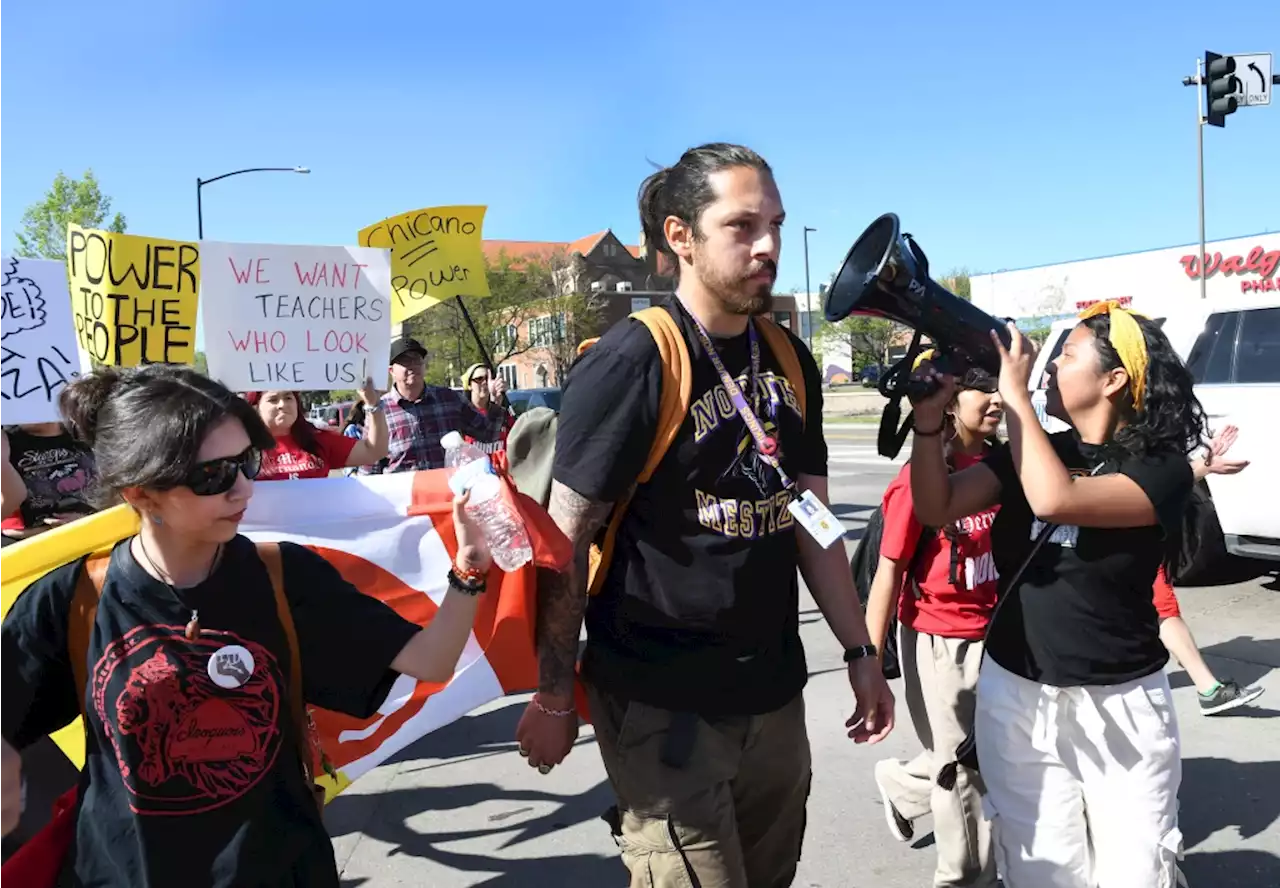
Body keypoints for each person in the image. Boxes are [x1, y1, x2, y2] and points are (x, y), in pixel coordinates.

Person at [515, 142, 894, 888]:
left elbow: (812, 519)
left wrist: (860, 652)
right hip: (664, 708)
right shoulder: (634, 361)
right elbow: (564, 542)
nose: (769, 247)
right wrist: (555, 692)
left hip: (775, 696)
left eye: (777, 225)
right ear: (679, 237)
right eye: (743, 226)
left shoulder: (788, 356)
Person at [1, 364, 494, 887]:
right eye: (212, 476)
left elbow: (432, 659)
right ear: (140, 493)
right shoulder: (74, 602)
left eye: (245, 462)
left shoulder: (285, 576)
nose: (243, 490)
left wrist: (468, 568)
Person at [910, 302, 1203, 887]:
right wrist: (925, 424)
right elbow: (936, 505)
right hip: (1017, 694)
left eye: (1066, 355)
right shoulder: (1036, 452)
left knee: (1135, 872)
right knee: (1040, 869)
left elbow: (1054, 500)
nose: (1047, 366)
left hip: (1119, 705)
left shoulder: (1161, 468)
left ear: (1113, 379)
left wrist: (1016, 399)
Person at [865, 360, 1003, 888]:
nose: (994, 399)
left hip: (999, 638)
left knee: (980, 757)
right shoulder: (919, 481)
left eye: (999, 388)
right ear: (949, 401)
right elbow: (888, 572)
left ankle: (902, 786)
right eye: (981, 390)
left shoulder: (1002, 465)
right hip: (940, 639)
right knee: (963, 772)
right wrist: (869, 664)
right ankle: (962, 878)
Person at [1160, 424, 1262, 715]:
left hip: (1134, 542)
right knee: (1161, 610)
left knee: (1161, 610)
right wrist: (1201, 467)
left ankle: (1208, 688)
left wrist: (1202, 466)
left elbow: (1151, 481)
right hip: (1119, 544)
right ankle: (1209, 689)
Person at [361, 337, 509, 474]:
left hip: (448, 493)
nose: (412, 365)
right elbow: (368, 467)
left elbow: (488, 434)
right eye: (405, 361)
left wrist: (495, 401)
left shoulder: (449, 399)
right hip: (403, 496)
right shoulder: (380, 410)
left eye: (417, 360)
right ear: (391, 371)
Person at [245, 381, 388, 480]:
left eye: (288, 397)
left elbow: (374, 451)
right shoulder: (241, 447)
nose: (282, 404)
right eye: (273, 399)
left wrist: (373, 405)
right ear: (256, 407)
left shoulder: (318, 440)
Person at [0, 422, 97, 545]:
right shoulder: (5, 443)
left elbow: (117, 491)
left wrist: (88, 520)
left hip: (94, 533)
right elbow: (9, 528)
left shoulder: (87, 429)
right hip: (30, 546)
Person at [461, 363, 514, 456]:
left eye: (488, 378)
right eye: (479, 379)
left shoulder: (503, 413)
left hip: (500, 470)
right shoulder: (464, 415)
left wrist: (497, 399)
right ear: (469, 385)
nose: (485, 382)